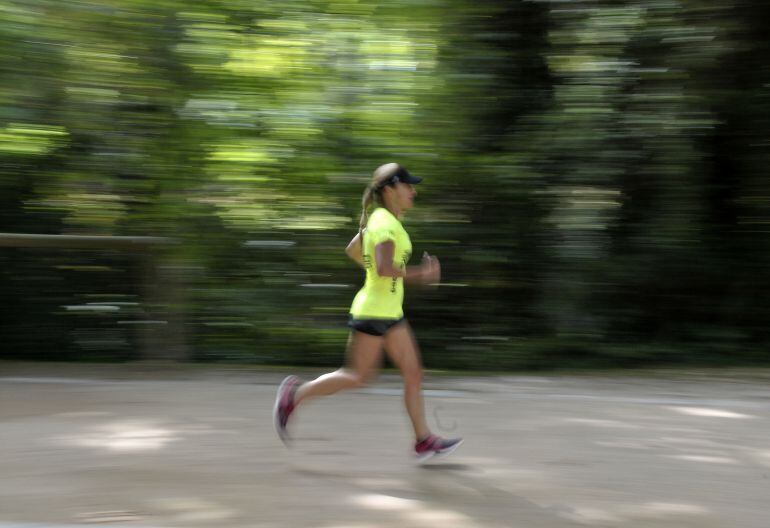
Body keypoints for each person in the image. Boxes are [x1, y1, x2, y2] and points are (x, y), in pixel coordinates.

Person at [273, 162, 462, 462]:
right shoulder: (385, 224)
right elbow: (385, 268)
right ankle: (293, 396)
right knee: (356, 376)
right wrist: (422, 274)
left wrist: (376, 270)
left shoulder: (383, 220)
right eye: (407, 185)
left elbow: (352, 250)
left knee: (413, 373)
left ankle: (423, 441)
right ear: (390, 190)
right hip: (373, 313)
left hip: (389, 312)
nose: (413, 191)